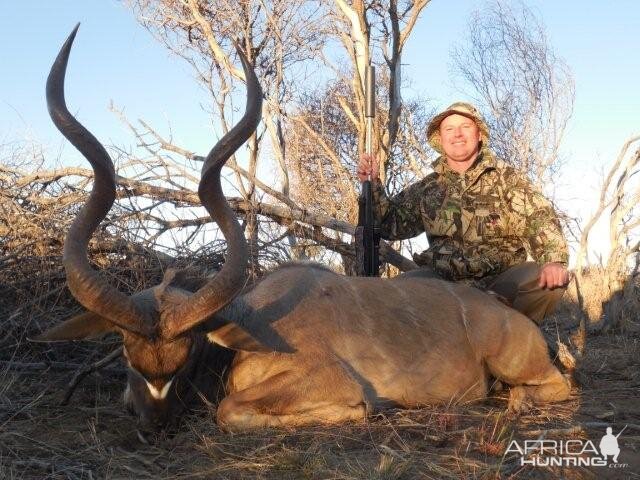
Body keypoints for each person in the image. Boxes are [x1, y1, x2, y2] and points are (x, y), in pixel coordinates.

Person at [357, 102, 570, 324]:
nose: (457, 134)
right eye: (449, 129)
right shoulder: (428, 187)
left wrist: (553, 260)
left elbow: (539, 218)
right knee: (390, 296)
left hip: (499, 282)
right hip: (442, 282)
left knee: (549, 283)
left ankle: (511, 339)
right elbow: (390, 225)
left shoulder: (508, 180)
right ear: (441, 138)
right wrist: (373, 187)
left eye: (465, 126)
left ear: (479, 134)